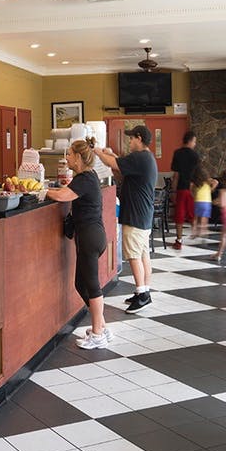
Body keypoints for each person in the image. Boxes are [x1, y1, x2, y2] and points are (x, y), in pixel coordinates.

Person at [47, 139, 110, 348]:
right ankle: (101, 327)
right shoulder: (86, 177)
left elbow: (63, 196)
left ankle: (98, 334)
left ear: (79, 157)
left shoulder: (85, 178)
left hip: (90, 237)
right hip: (91, 236)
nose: (67, 158)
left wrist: (43, 192)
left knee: (92, 285)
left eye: (70, 154)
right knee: (80, 284)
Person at [94, 125, 157, 312]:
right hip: (143, 214)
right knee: (143, 254)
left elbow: (113, 163)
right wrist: (111, 155)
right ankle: (144, 291)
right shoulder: (145, 158)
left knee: (134, 256)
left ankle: (143, 295)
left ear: (139, 138)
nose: (129, 142)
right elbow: (119, 166)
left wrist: (97, 151)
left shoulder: (139, 157)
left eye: (131, 138)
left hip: (136, 215)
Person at [169, 131, 199, 250]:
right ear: (190, 141)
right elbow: (197, 175)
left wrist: (173, 191)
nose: (195, 144)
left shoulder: (177, 153)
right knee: (192, 213)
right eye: (194, 141)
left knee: (179, 216)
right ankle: (196, 233)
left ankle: (179, 240)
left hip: (181, 189)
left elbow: (176, 175)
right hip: (191, 189)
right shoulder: (195, 156)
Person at [191, 167, 215, 240]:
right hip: (207, 202)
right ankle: (202, 231)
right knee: (204, 218)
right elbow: (216, 182)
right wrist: (212, 188)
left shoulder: (195, 183)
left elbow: (191, 192)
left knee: (195, 218)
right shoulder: (207, 182)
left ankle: (194, 232)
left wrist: (194, 196)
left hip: (197, 201)